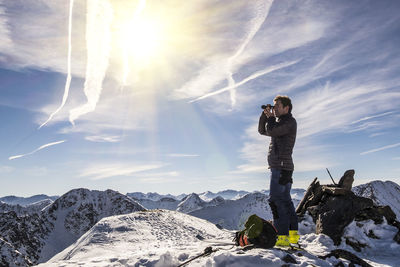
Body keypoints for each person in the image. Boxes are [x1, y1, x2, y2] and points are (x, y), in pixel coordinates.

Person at [258, 95, 299, 247]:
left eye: (277, 106)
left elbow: (272, 130)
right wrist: (265, 116)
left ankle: (282, 240)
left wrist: (270, 118)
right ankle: (292, 238)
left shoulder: (288, 122)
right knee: (286, 202)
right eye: (273, 107)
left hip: (281, 168)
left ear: (286, 108)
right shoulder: (281, 122)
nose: (274, 109)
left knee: (276, 202)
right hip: (283, 167)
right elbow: (263, 130)